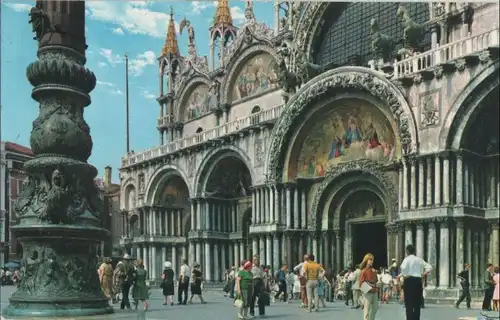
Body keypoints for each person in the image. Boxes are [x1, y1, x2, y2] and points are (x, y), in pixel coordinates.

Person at [400, 244, 432, 320]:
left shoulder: (406, 259)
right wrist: (424, 273)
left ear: (407, 251)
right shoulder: (419, 259)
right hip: (418, 281)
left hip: (409, 281)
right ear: (414, 251)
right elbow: (429, 267)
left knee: (409, 303)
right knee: (417, 303)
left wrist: (405, 275)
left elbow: (403, 269)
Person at [359, 253, 379, 320]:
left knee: (375, 307)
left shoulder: (373, 270)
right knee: (366, 309)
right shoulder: (363, 271)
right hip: (368, 292)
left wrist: (375, 273)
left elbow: (376, 280)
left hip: (374, 291)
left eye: (372, 260)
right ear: (366, 260)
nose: (372, 261)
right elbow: (361, 283)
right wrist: (367, 289)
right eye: (370, 259)